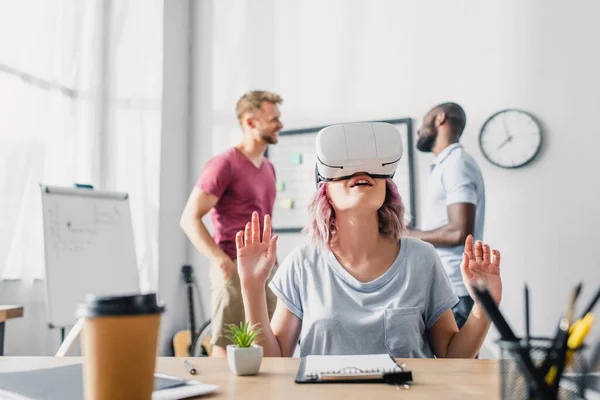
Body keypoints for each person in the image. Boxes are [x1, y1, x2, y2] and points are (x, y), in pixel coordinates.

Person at [232, 122, 502, 358]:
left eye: (374, 170)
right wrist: (252, 287)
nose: (360, 172)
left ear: (388, 188)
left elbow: (451, 357)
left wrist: (484, 305)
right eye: (345, 170)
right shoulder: (302, 264)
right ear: (324, 192)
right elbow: (273, 359)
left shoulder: (422, 258)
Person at [180, 90, 283, 357]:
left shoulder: (269, 169)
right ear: (250, 122)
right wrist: (221, 261)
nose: (280, 125)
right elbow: (189, 218)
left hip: (267, 268)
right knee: (226, 348)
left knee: (270, 342)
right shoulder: (224, 164)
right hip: (234, 265)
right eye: (273, 119)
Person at [406, 103, 486, 329]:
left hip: (456, 290)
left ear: (440, 119)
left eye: (424, 122)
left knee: (456, 364)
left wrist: (408, 234)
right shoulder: (446, 165)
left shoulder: (456, 164)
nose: (420, 130)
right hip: (445, 286)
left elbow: (459, 231)